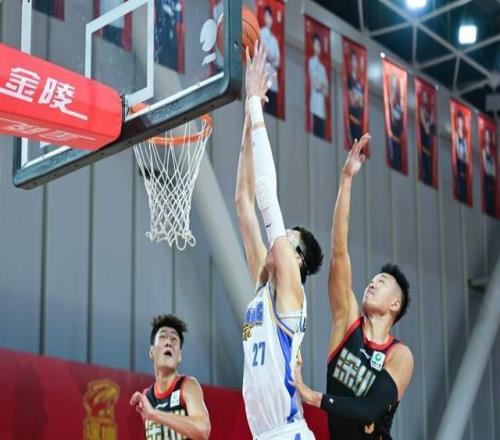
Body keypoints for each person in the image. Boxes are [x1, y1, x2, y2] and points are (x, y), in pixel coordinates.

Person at [292, 135, 414, 440]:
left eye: (382, 283)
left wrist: (313, 396)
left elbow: (370, 409)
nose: (372, 283)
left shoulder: (400, 355)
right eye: (372, 280)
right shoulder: (346, 321)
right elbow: (339, 250)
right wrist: (346, 179)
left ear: (395, 304)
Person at [236, 41, 323, 439]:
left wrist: (256, 104)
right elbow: (243, 202)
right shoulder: (264, 285)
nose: (280, 240)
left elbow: (265, 197)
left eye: (288, 238)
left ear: (297, 259)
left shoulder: (291, 291)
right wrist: (246, 117)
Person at [130, 314, 211, 440]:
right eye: (162, 337)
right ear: (151, 352)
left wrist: (155, 415)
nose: (168, 343)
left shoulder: (187, 385)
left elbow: (203, 430)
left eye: (174, 339)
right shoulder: (147, 397)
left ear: (179, 356)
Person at [260, 6, 280, 116]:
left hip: (273, 81)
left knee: (272, 111)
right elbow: (266, 52)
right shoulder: (261, 33)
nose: (268, 19)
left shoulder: (274, 40)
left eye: (270, 17)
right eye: (266, 16)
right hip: (264, 79)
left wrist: (271, 57)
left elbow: (278, 62)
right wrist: (272, 58)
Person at [308, 33, 328, 139]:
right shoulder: (311, 62)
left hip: (322, 109)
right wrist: (322, 85)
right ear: (313, 45)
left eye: (318, 45)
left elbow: (326, 91)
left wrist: (322, 86)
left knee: (321, 135)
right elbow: (316, 85)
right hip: (314, 106)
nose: (317, 47)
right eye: (315, 44)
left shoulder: (323, 68)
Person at [155, 0, 183, 70]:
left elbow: (178, 10)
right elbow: (158, 6)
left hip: (172, 26)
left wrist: (175, 9)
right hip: (163, 25)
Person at [347, 50, 364, 147]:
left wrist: (358, 99)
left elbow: (361, 102)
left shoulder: (359, 83)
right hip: (352, 119)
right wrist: (357, 99)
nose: (354, 63)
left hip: (359, 121)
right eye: (352, 61)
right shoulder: (350, 79)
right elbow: (352, 101)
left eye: (355, 61)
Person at [419, 89, 435, 186]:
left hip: (429, 143)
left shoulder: (429, 111)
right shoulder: (421, 110)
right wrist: (428, 124)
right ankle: (425, 177)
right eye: (424, 97)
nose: (425, 99)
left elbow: (432, 122)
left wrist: (432, 107)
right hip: (424, 142)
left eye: (426, 97)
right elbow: (426, 128)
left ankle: (429, 178)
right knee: (425, 163)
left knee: (430, 163)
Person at [388, 74, 403, 171]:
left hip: (398, 131)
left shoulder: (398, 101)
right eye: (392, 84)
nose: (394, 87)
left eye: (395, 85)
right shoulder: (390, 99)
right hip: (392, 132)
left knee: (398, 154)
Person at [482, 127, 497, 217]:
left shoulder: (492, 153)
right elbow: (486, 168)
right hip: (487, 178)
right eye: (486, 136)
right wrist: (491, 170)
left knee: (493, 201)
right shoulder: (484, 151)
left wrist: (492, 170)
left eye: (488, 136)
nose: (487, 138)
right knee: (488, 199)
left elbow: (494, 169)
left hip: (492, 179)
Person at [455, 111, 469, 203]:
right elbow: (458, 152)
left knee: (464, 181)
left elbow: (466, 152)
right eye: (458, 121)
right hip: (460, 162)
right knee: (460, 179)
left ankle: (464, 195)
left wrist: (466, 159)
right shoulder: (456, 135)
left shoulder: (464, 137)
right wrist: (463, 158)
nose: (460, 123)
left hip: (464, 162)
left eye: (461, 122)